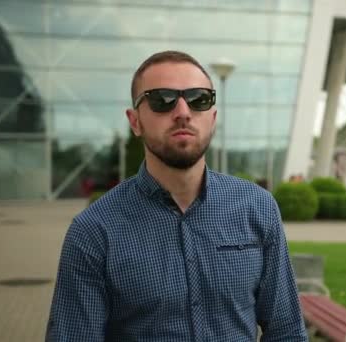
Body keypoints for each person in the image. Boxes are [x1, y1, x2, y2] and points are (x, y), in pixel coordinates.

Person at [46, 50, 308, 341]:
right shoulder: (94, 231)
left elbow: (287, 331)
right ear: (135, 121)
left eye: (199, 99)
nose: (183, 111)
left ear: (213, 117)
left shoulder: (257, 208)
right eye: (162, 100)